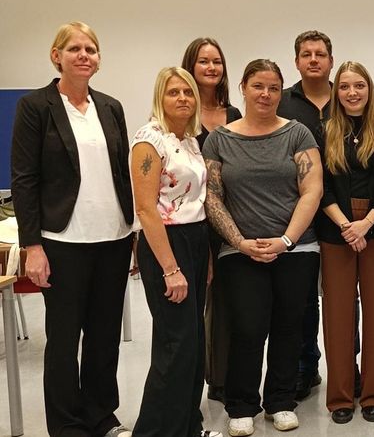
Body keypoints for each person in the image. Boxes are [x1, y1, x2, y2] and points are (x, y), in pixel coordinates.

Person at [11, 22, 135, 437]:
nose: (84, 55)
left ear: (99, 59)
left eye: (91, 49)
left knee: (104, 337)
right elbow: (24, 179)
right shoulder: (35, 107)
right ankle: (66, 425)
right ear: (56, 56)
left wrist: (134, 230)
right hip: (62, 242)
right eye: (75, 48)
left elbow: (122, 174)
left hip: (114, 238)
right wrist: (32, 246)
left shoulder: (111, 107)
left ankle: (101, 416)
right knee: (64, 341)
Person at [203, 59, 323, 435]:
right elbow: (212, 195)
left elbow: (312, 189)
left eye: (273, 88)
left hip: (296, 249)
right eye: (258, 86)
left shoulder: (297, 134)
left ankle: (281, 401)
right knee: (247, 327)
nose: (266, 94)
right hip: (239, 251)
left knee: (289, 326)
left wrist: (286, 240)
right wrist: (239, 242)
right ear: (243, 87)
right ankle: (242, 405)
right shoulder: (220, 139)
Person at [130, 67, 221, 437]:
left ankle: (188, 427)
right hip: (166, 243)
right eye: (173, 92)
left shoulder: (190, 140)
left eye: (187, 92)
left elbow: (195, 202)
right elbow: (146, 209)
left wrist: (206, 257)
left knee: (193, 342)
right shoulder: (149, 140)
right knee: (176, 344)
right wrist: (171, 268)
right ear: (160, 97)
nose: (182, 98)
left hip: (195, 240)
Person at [318, 61, 374, 424]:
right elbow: (319, 186)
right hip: (336, 232)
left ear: (369, 90)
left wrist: (366, 224)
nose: (352, 93)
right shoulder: (324, 131)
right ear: (336, 92)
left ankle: (373, 394)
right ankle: (339, 396)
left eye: (359, 86)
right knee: (337, 316)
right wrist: (346, 226)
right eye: (345, 86)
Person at [275, 30, 337, 400]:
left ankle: (346, 366)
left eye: (320, 54)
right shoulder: (282, 102)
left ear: (331, 60)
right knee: (302, 298)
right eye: (306, 54)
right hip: (297, 211)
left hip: (343, 213)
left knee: (343, 297)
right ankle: (305, 366)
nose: (313, 59)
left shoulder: (347, 97)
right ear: (296, 61)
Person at [180, 36, 242, 404]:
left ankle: (223, 378)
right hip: (189, 222)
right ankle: (192, 382)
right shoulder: (178, 113)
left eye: (216, 61)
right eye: (203, 61)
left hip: (229, 220)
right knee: (193, 308)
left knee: (227, 304)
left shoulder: (235, 115)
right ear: (190, 66)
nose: (211, 67)